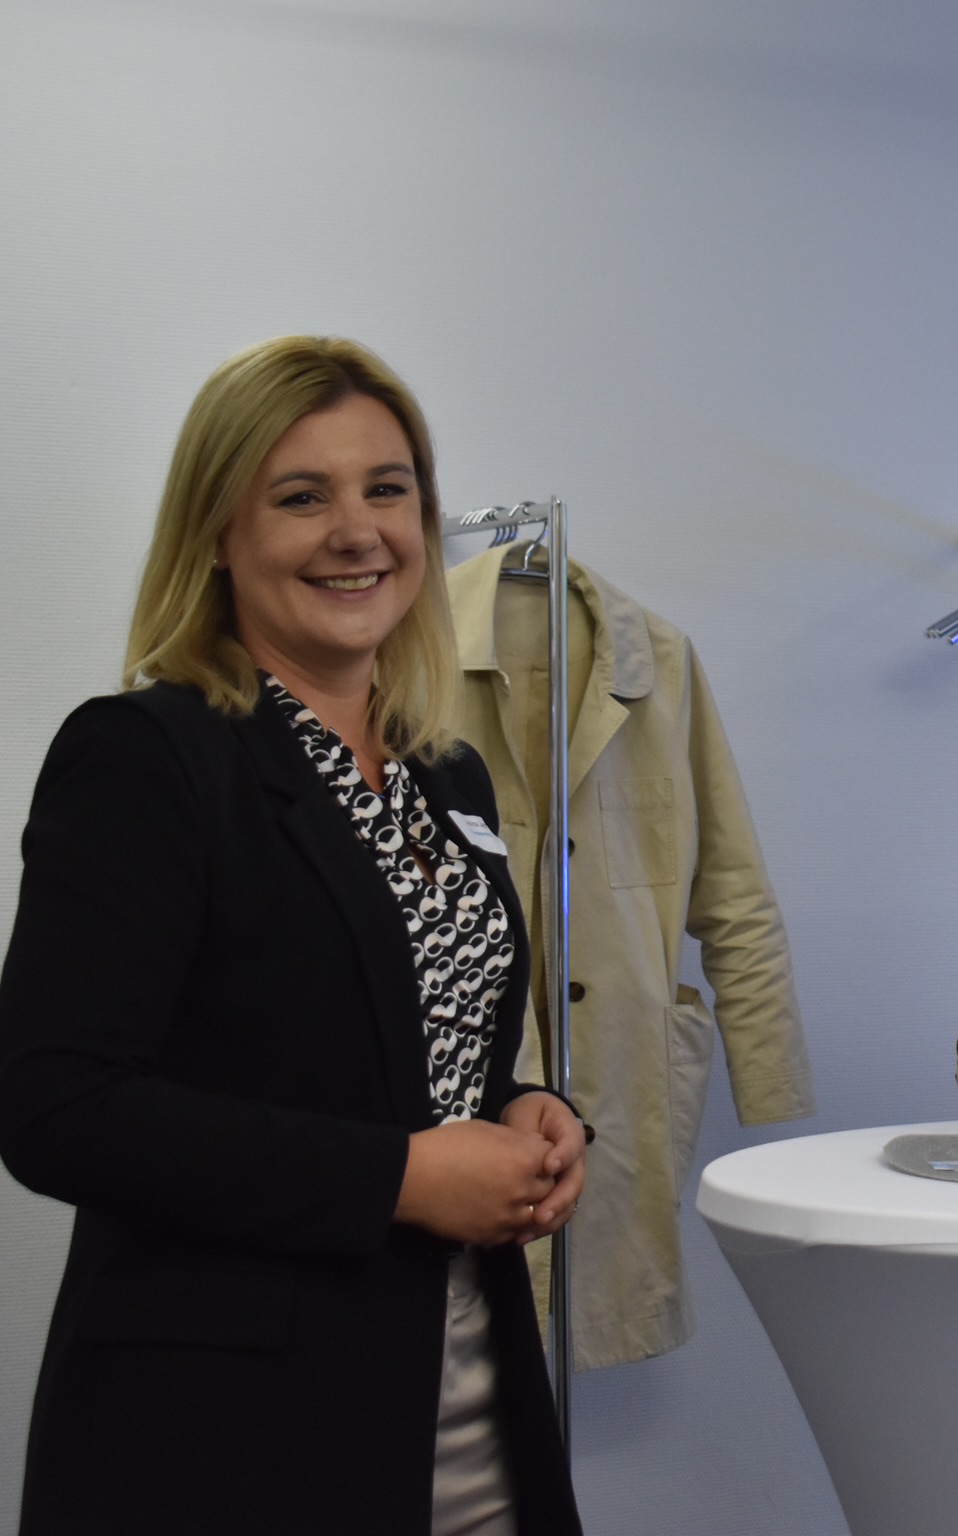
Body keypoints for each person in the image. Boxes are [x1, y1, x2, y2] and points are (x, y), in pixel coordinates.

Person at [0, 337, 586, 1535]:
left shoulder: (445, 775)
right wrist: (404, 1177)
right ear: (219, 532)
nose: (357, 532)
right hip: (228, 1438)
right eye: (302, 497)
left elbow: (398, 1047)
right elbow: (55, 1105)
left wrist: (525, 1107)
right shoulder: (148, 758)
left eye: (387, 489)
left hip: (465, 1388)